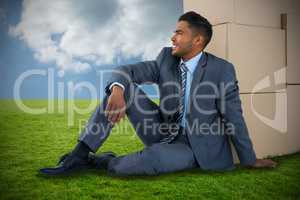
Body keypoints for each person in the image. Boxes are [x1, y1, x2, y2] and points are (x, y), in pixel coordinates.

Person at [40, 11, 277, 176]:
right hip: (161, 130)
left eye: (179, 33)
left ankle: (103, 161)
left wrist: (250, 159)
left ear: (197, 40)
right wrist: (117, 89)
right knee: (122, 86)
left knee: (132, 166)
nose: (173, 37)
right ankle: (79, 154)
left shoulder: (222, 70)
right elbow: (126, 70)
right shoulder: (166, 58)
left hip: (193, 147)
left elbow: (234, 117)